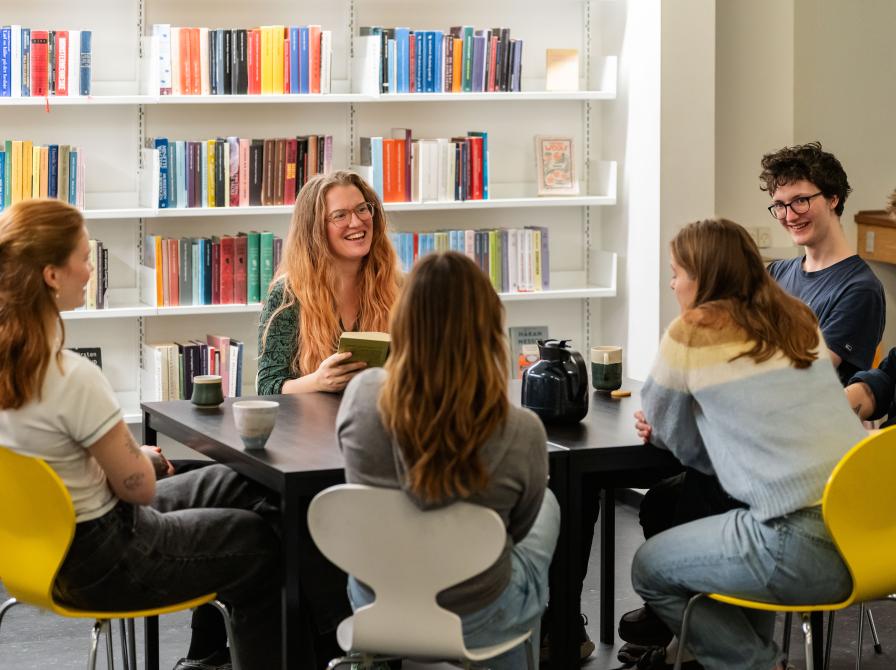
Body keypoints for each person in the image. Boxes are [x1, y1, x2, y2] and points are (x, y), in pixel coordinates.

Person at [0, 199, 282, 670]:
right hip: (108, 556)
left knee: (245, 484)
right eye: (84, 258)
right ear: (52, 275)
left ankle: (210, 658)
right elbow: (141, 486)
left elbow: (53, 466)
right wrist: (139, 459)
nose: (90, 271)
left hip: (42, 551)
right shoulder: (70, 377)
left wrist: (117, 461)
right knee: (260, 540)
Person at [629, 218, 864, 670]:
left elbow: (675, 438)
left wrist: (671, 434)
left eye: (676, 272)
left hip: (799, 546)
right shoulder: (797, 318)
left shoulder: (691, 331)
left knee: (649, 568)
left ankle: (758, 664)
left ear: (703, 278)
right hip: (868, 537)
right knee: (743, 528)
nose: (672, 283)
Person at [336, 251, 560, 669]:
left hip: (376, 601)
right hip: (478, 616)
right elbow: (517, 527)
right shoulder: (521, 429)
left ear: (402, 321)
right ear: (489, 327)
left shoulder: (362, 396)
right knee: (546, 501)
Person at [257, 169, 401, 395]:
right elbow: (267, 386)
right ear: (315, 230)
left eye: (362, 209)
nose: (356, 222)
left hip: (379, 420)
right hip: (309, 426)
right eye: (340, 215)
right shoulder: (288, 294)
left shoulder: (397, 286)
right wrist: (317, 382)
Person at [762, 141, 884, 386]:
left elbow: (804, 376)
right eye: (779, 205)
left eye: (800, 200)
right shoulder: (775, 273)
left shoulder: (860, 289)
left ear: (833, 199)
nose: (789, 215)